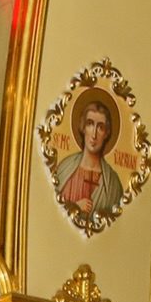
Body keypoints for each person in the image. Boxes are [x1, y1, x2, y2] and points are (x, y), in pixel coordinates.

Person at [51, 94, 125, 224]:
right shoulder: (64, 168)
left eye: (100, 127)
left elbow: (115, 225)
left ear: (106, 133)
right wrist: (75, 207)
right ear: (83, 127)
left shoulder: (113, 184)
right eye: (90, 124)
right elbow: (50, 210)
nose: (94, 134)